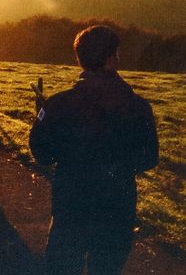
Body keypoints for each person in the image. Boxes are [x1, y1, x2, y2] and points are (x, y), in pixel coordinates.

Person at [29, 25, 158, 275]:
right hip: (117, 207)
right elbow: (149, 158)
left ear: (80, 59)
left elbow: (41, 153)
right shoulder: (139, 107)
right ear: (113, 59)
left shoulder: (57, 105)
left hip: (71, 206)